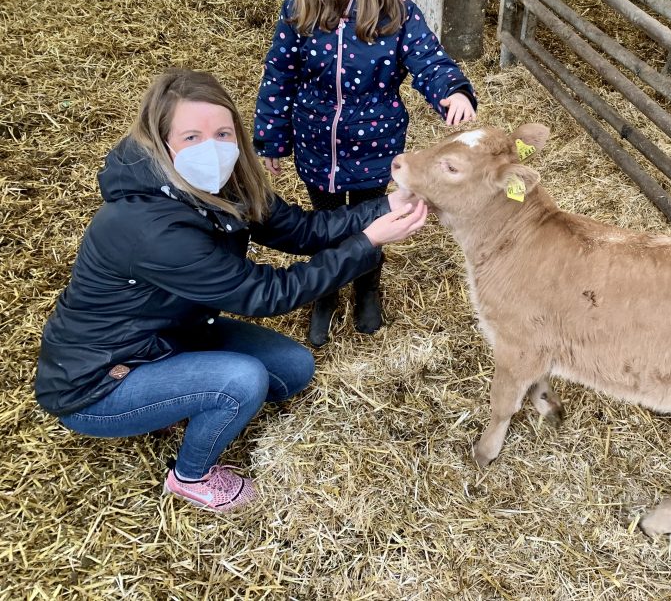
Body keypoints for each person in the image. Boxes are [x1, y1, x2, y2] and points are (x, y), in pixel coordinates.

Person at [35, 68, 428, 512]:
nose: (213, 148)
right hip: (99, 380)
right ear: (160, 142)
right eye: (191, 137)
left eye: (223, 133)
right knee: (241, 382)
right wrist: (367, 243)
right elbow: (267, 295)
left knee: (294, 369)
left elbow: (301, 231)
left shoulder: (225, 183)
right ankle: (191, 477)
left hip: (175, 335)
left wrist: (382, 207)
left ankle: (176, 398)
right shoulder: (151, 229)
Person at [254, 0, 477, 346]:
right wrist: (272, 138)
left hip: (377, 149)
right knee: (325, 221)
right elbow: (279, 73)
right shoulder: (300, 8)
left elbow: (428, 60)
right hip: (317, 145)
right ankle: (326, 291)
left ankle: (368, 288)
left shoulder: (396, 13)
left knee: (374, 216)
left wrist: (451, 90)